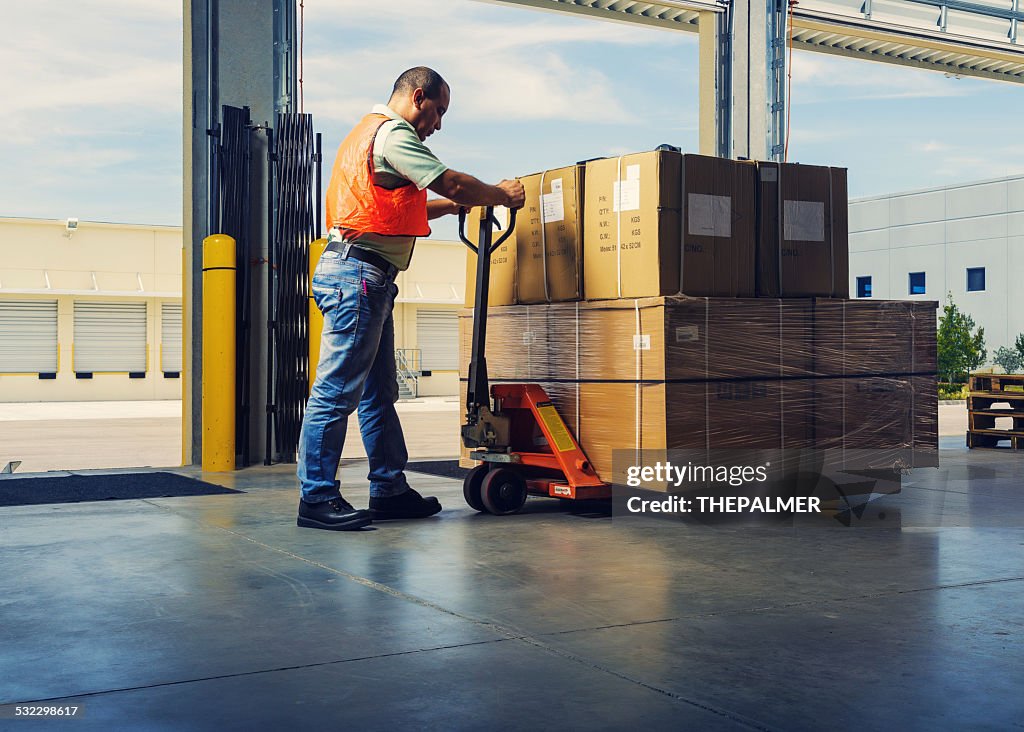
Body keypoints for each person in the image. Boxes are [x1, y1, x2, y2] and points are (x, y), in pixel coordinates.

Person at [297, 66, 526, 531]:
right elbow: (452, 183)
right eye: (438, 111)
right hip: (357, 277)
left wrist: (462, 206)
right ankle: (316, 499)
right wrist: (498, 194)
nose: (438, 124)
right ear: (418, 96)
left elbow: (412, 204)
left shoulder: (370, 136)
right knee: (336, 393)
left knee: (379, 395)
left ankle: (389, 490)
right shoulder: (392, 135)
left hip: (367, 278)